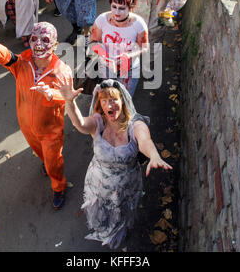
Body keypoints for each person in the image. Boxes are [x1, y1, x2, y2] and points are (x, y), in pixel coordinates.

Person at [50, 78, 173, 249]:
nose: (110, 105)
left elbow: (145, 141)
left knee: (120, 215)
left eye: (114, 99)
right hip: (98, 183)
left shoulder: (135, 125)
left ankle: (117, 233)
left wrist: (153, 155)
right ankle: (102, 229)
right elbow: (80, 123)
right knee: (100, 211)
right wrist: (70, 102)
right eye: (105, 100)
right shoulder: (98, 122)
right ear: (100, 103)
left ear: (123, 100)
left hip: (125, 187)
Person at [0, 22, 73, 210]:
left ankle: (58, 187)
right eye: (34, 39)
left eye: (45, 40)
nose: (39, 44)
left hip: (51, 132)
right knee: (42, 155)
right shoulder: (22, 63)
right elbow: (5, 57)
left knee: (54, 163)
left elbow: (67, 97)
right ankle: (46, 163)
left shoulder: (62, 72)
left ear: (56, 45)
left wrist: (52, 94)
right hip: (27, 126)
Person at [89, 0, 149, 96]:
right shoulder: (102, 20)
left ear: (130, 8)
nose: (116, 12)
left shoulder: (138, 24)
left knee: (125, 99)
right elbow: (93, 43)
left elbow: (144, 47)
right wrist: (105, 56)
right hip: (106, 67)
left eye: (122, 8)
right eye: (114, 6)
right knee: (109, 97)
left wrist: (128, 56)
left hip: (129, 69)